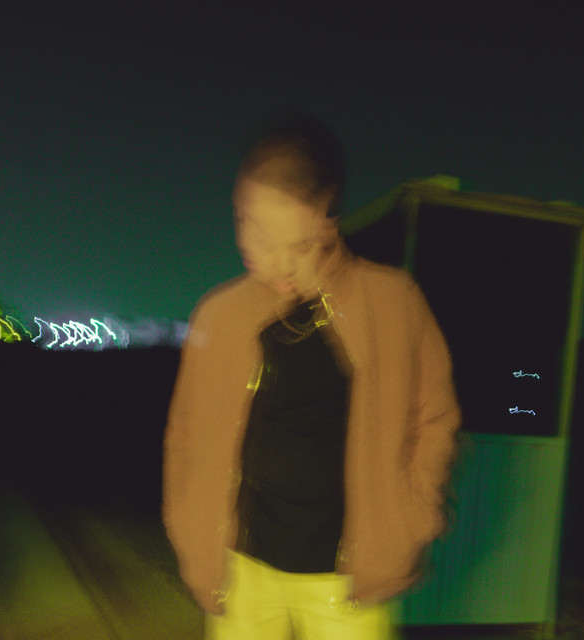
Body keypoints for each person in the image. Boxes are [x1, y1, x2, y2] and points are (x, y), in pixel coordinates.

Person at [162, 113, 461, 639]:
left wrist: (410, 521)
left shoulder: (393, 302)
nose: (271, 260)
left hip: (349, 586)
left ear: (327, 217)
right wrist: (188, 528)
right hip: (239, 577)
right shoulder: (219, 315)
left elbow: (435, 419)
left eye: (293, 244)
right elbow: (185, 433)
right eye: (253, 232)